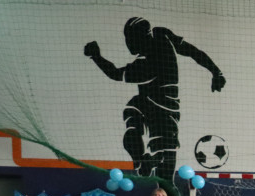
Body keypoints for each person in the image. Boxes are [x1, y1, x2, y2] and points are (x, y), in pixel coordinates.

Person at [84, 17, 225, 178]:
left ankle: (149, 161)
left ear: (138, 38)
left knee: (165, 175)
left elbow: (115, 74)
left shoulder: (146, 65)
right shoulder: (162, 35)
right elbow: (191, 51)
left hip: (164, 117)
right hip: (150, 104)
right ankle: (143, 161)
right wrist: (215, 72)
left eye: (129, 38)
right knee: (134, 114)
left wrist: (96, 56)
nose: (127, 43)